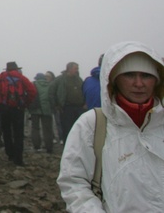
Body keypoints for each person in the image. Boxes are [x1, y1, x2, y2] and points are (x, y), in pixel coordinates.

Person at [57, 41, 164, 212]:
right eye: (129, 75)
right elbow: (73, 181)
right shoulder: (93, 124)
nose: (138, 83)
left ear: (157, 80)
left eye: (146, 75)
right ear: (113, 79)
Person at [0, 61, 36, 166]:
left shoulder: (1, 77)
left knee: (6, 131)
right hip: (18, 108)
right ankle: (18, 159)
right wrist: (26, 102)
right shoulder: (21, 77)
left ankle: (10, 154)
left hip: (4, 108)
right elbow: (32, 91)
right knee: (18, 133)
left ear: (6, 69)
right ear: (16, 68)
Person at [54, 62, 85, 144]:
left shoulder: (79, 79)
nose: (77, 70)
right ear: (69, 69)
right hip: (66, 108)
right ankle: (67, 147)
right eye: (75, 68)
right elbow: (51, 92)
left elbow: (84, 90)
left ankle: (77, 147)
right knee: (67, 129)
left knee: (78, 129)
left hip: (79, 108)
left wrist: (85, 103)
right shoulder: (60, 79)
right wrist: (56, 105)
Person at [28, 73, 53, 154]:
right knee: (47, 129)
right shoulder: (50, 85)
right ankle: (49, 147)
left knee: (35, 128)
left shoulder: (33, 84)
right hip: (47, 109)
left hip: (35, 109)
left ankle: (37, 146)